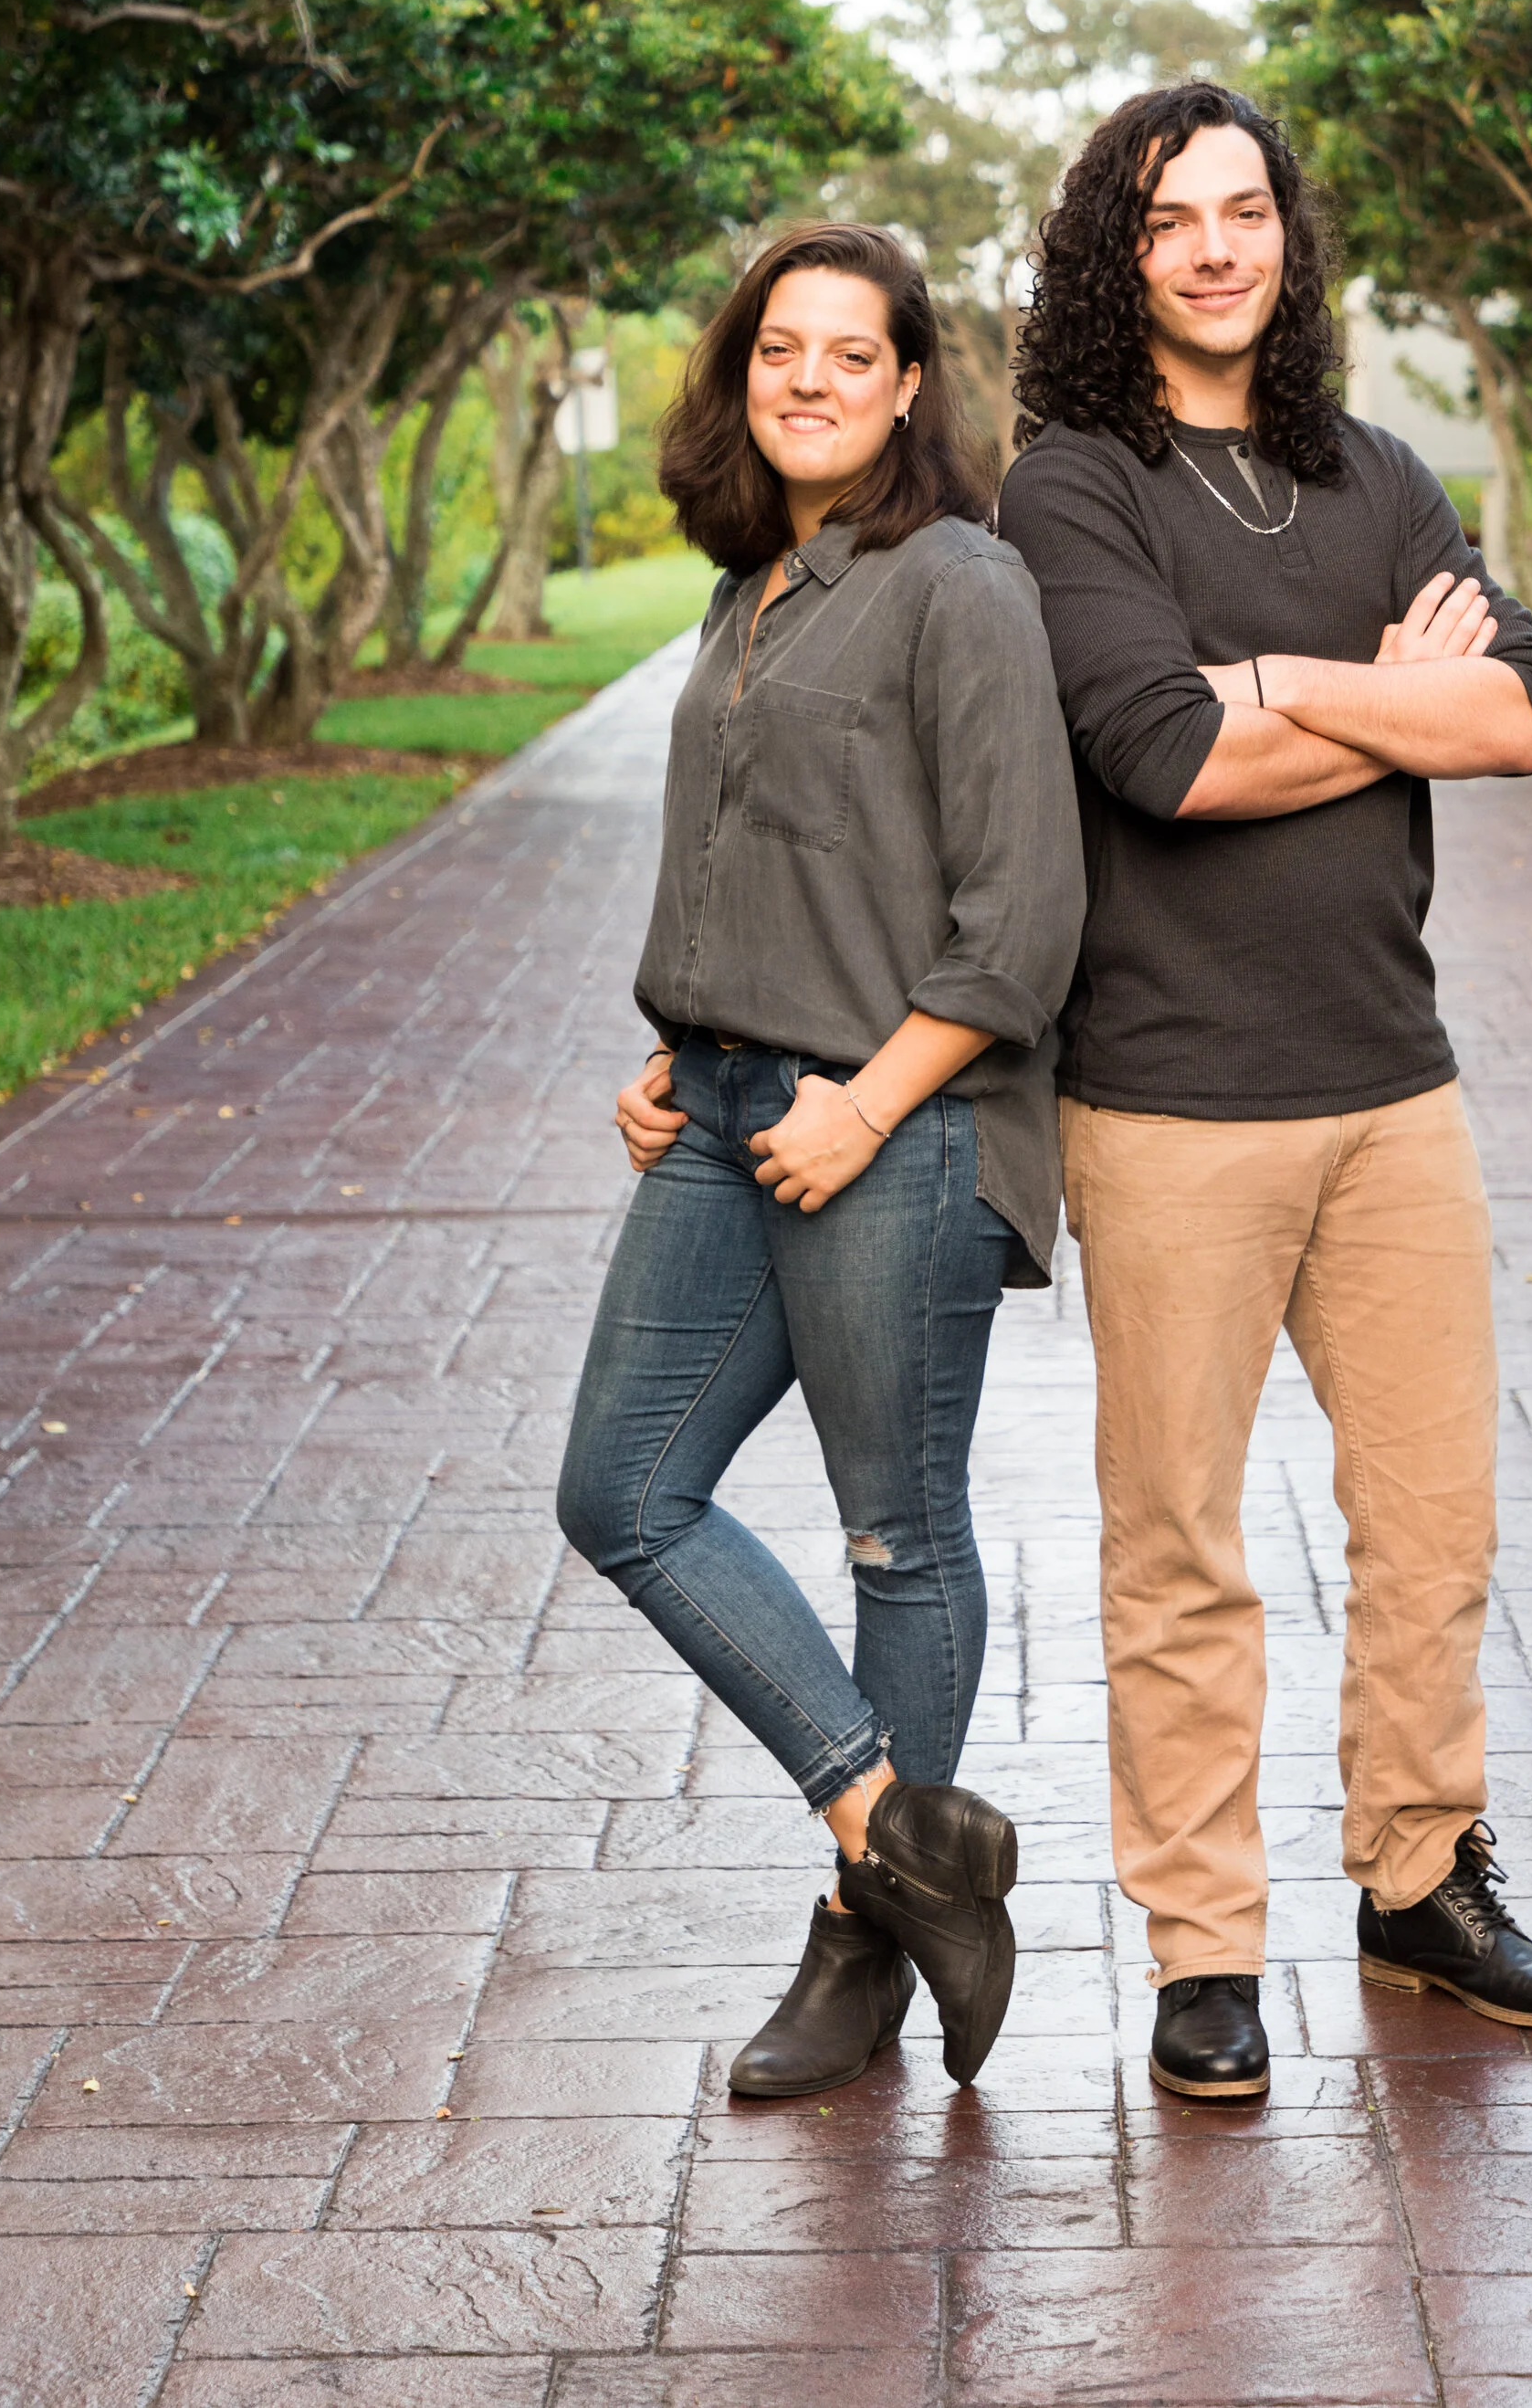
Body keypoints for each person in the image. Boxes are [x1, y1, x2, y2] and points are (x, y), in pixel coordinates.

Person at [997, 82, 1532, 2100]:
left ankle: (1417, 1884)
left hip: (1391, 1089)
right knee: (1179, 1548)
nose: (1211, 247)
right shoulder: (1069, 488)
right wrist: (1369, 696)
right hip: (1169, 1102)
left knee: (1433, 1525)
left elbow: (1513, 719)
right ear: (1119, 251)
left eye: (1242, 212)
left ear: (1286, 241)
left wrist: (1275, 685)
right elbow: (1159, 759)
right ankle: (1199, 1950)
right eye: (1169, 219)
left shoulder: (1372, 472)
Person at [556, 224, 1084, 2100]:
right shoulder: (747, 590)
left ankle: (854, 1961)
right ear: (740, 371)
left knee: (894, 1529)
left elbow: (1022, 918)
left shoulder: (962, 585)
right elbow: (761, 866)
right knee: (619, 1492)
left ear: (908, 385)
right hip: (713, 1113)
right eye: (779, 348)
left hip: (901, 1127)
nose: (806, 380)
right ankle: (904, 1835)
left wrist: (864, 1102)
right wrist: (661, 1054)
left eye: (848, 356)